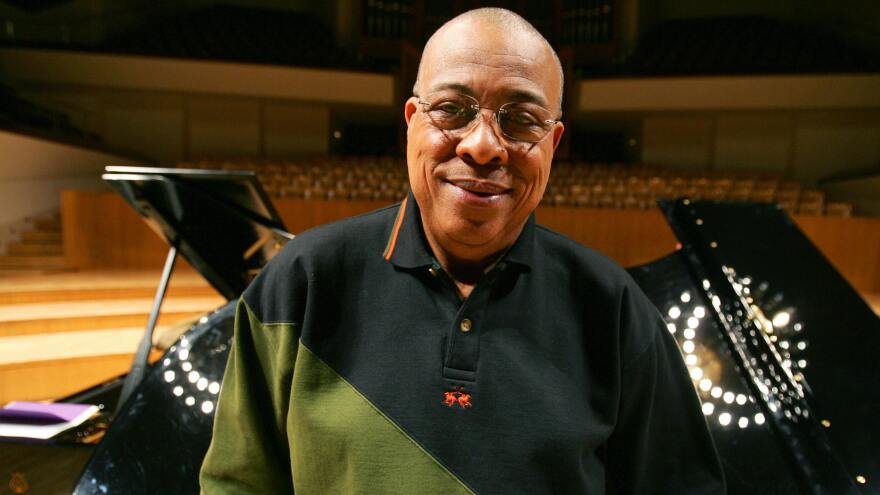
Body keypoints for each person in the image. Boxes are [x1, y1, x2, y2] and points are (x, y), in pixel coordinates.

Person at [200, 8, 725, 494]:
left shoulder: (614, 309)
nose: (482, 145)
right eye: (451, 110)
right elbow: (237, 483)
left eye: (520, 119)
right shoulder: (302, 281)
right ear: (411, 122)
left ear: (553, 143)